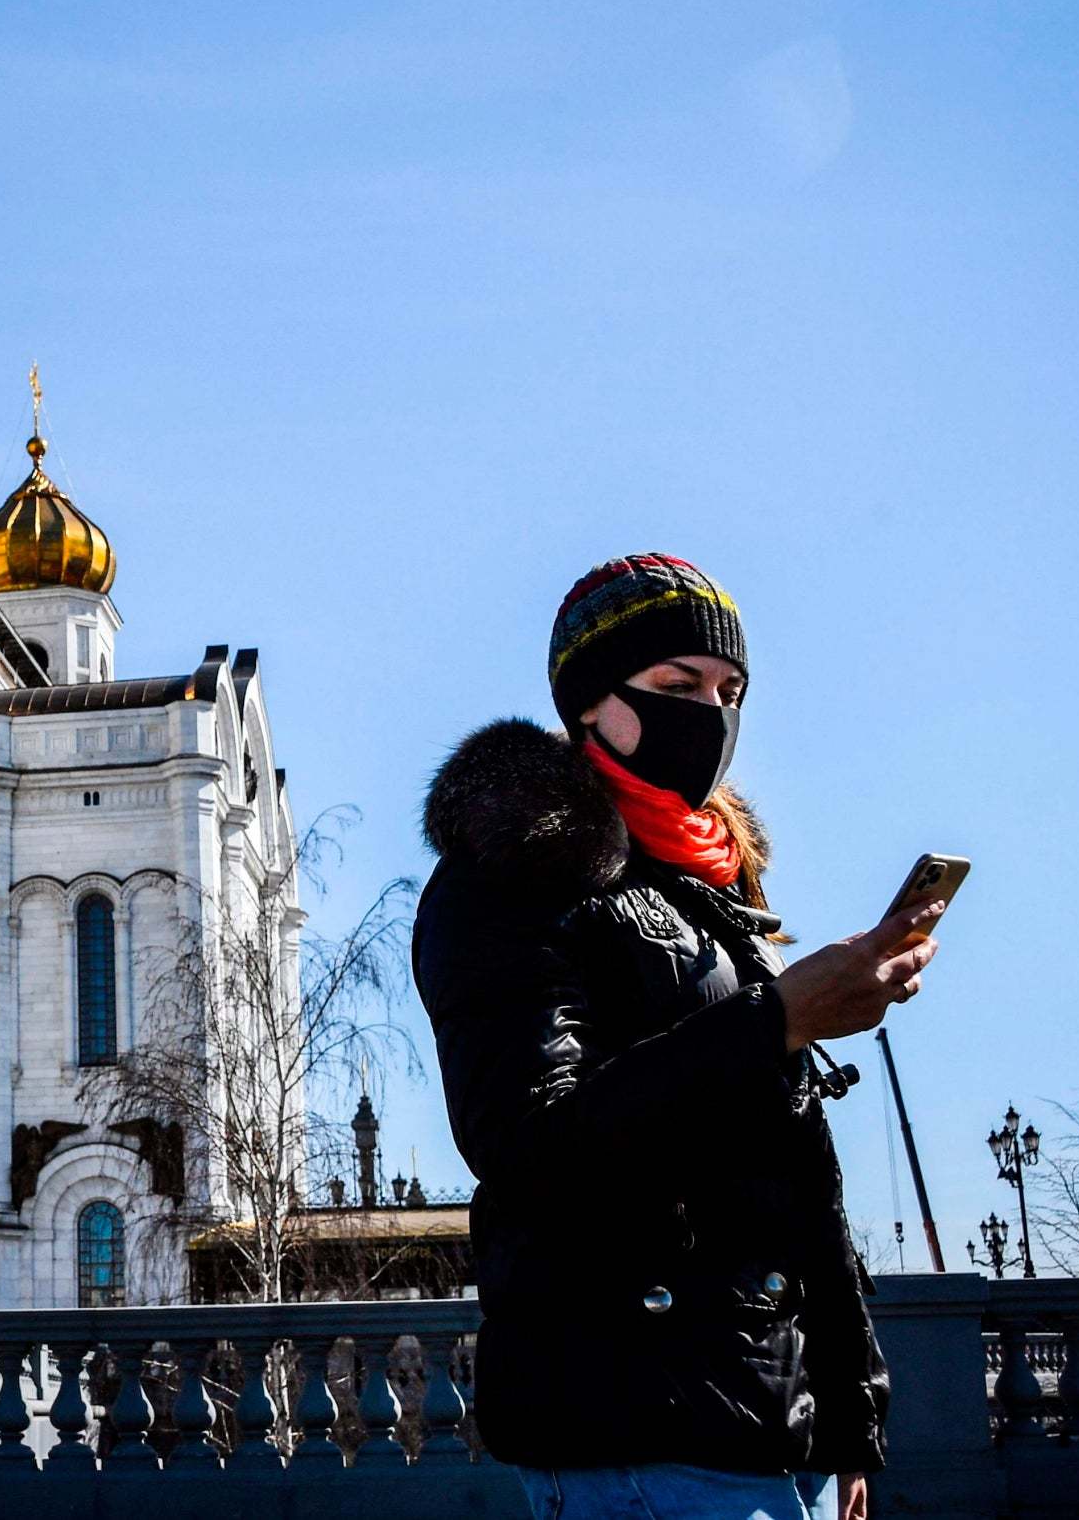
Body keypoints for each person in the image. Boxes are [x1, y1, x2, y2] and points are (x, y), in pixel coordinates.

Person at [413, 554, 939, 1520]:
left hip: (782, 1438)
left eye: (730, 690)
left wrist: (848, 1423)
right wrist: (782, 1017)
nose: (714, 715)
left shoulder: (711, 894)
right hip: (631, 1426)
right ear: (589, 706)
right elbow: (527, 1142)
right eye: (677, 686)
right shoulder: (509, 874)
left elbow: (793, 1177)